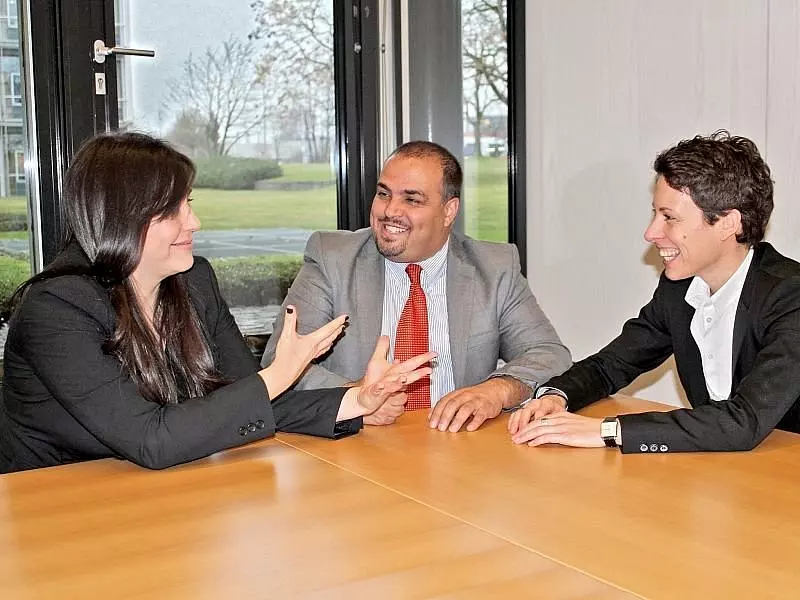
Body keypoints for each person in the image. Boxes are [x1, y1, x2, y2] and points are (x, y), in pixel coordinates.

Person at [0, 132, 433, 473]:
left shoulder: (194, 281)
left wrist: (358, 401)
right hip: (57, 504)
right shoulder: (55, 309)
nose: (195, 222)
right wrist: (280, 373)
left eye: (188, 204)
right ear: (121, 218)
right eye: (173, 211)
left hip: (164, 492)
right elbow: (151, 439)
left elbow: (243, 397)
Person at [509, 130, 800, 453]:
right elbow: (611, 366)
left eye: (669, 217)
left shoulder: (790, 295)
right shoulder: (679, 288)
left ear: (728, 223)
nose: (651, 233)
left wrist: (609, 430)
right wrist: (556, 395)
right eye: (654, 213)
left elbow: (743, 422)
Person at [262, 140, 571, 432]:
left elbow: (548, 353)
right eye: (383, 194)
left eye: (411, 199)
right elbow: (280, 361)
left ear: (449, 211)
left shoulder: (494, 268)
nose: (390, 211)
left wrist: (496, 391)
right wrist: (355, 398)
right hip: (358, 446)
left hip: (458, 444)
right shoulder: (333, 260)